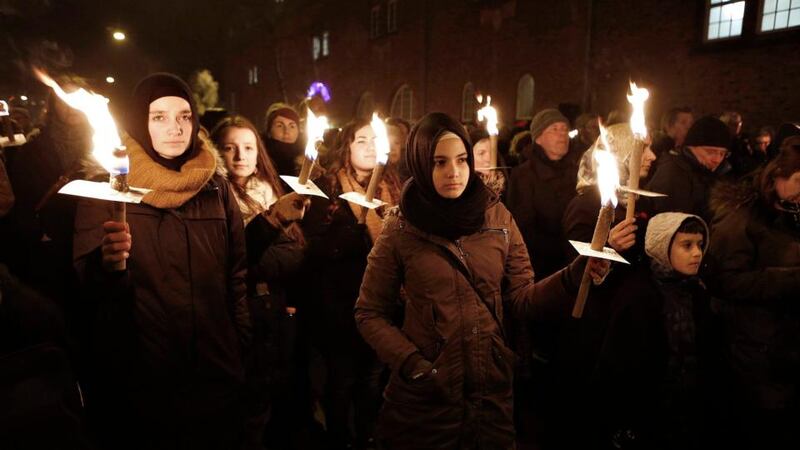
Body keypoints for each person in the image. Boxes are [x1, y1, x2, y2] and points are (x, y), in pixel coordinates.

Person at [353, 112, 607, 449]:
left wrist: (574, 276)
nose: (454, 172)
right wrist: (414, 365)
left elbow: (522, 298)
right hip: (426, 401)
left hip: (490, 393)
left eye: (461, 160)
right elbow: (369, 313)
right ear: (419, 164)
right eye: (439, 162)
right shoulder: (401, 228)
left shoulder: (497, 216)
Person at [73, 73, 250, 449]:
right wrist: (107, 267)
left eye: (185, 116)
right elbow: (84, 287)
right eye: (159, 117)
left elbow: (236, 275)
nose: (175, 127)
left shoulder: (215, 187)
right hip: (144, 371)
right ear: (140, 121)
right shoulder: (104, 188)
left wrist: (242, 349)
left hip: (215, 367)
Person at [301, 117, 402, 449]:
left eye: (375, 140)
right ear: (346, 147)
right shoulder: (328, 187)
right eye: (361, 140)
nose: (370, 146)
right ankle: (338, 438)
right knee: (342, 379)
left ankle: (367, 436)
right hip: (340, 304)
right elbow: (314, 246)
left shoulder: (392, 187)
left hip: (382, 303)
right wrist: (352, 232)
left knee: (372, 379)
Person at [589, 213, 731, 449]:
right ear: (662, 246)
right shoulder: (639, 297)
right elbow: (619, 367)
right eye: (686, 245)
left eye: (700, 244)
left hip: (689, 413)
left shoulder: (698, 292)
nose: (697, 253)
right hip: (649, 418)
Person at [211, 115, 309, 450]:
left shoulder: (271, 191)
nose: (240, 155)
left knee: (268, 398)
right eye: (229, 148)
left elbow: (296, 253)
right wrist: (260, 252)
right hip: (236, 312)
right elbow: (232, 259)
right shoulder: (214, 199)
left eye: (248, 147)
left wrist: (262, 261)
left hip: (274, 310)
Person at [707, 136, 800, 450]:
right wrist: (790, 280)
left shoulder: (791, 212)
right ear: (776, 179)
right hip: (756, 345)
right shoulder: (742, 219)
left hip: (786, 343)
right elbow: (725, 280)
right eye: (799, 179)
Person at [507, 108, 579, 278]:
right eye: (554, 129)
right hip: (539, 268)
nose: (562, 134)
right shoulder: (523, 175)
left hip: (574, 262)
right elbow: (523, 226)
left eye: (564, 129)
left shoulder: (577, 172)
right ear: (538, 137)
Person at [645, 116, 732, 223]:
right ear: (691, 147)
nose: (717, 159)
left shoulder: (719, 176)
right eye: (710, 152)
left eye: (722, 153)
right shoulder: (672, 173)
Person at [261, 102, 303, 176]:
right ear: (269, 131)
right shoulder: (261, 159)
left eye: (292, 126)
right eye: (279, 126)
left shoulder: (308, 158)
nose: (286, 131)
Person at [469, 125, 507, 199]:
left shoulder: (505, 183)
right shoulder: (462, 188)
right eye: (481, 153)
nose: (488, 158)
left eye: (492, 152)